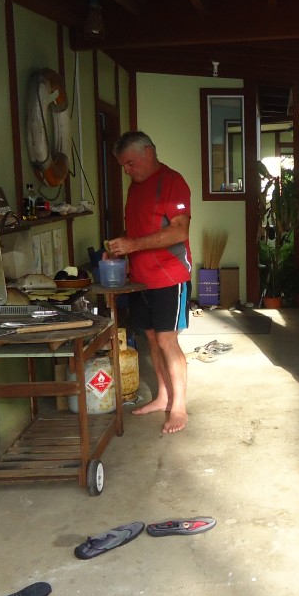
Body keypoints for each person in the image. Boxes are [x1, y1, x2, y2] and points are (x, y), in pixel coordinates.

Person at [105, 131, 193, 434]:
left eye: (130, 163)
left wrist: (132, 245)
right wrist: (118, 249)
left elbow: (179, 232)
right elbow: (138, 232)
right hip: (140, 278)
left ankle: (179, 406)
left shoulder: (173, 182)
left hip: (170, 275)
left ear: (148, 152)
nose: (127, 170)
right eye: (124, 166)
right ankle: (163, 397)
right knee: (153, 340)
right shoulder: (135, 188)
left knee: (168, 340)